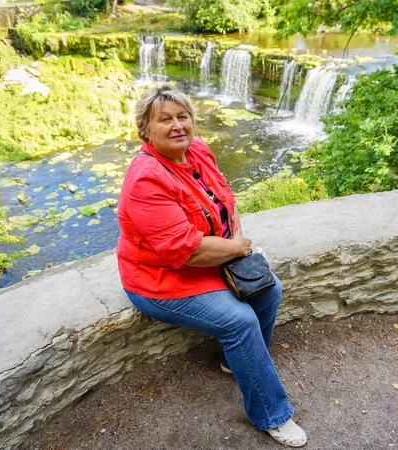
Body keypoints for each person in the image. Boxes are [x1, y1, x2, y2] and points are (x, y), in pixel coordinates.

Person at [116, 83, 307, 448]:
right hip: (160, 279)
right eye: (165, 120)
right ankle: (271, 414)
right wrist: (236, 249)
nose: (177, 126)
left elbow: (226, 201)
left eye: (183, 117)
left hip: (211, 257)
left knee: (270, 290)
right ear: (146, 129)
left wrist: (235, 236)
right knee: (240, 320)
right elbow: (183, 253)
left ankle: (234, 362)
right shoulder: (146, 178)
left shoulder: (198, 151)